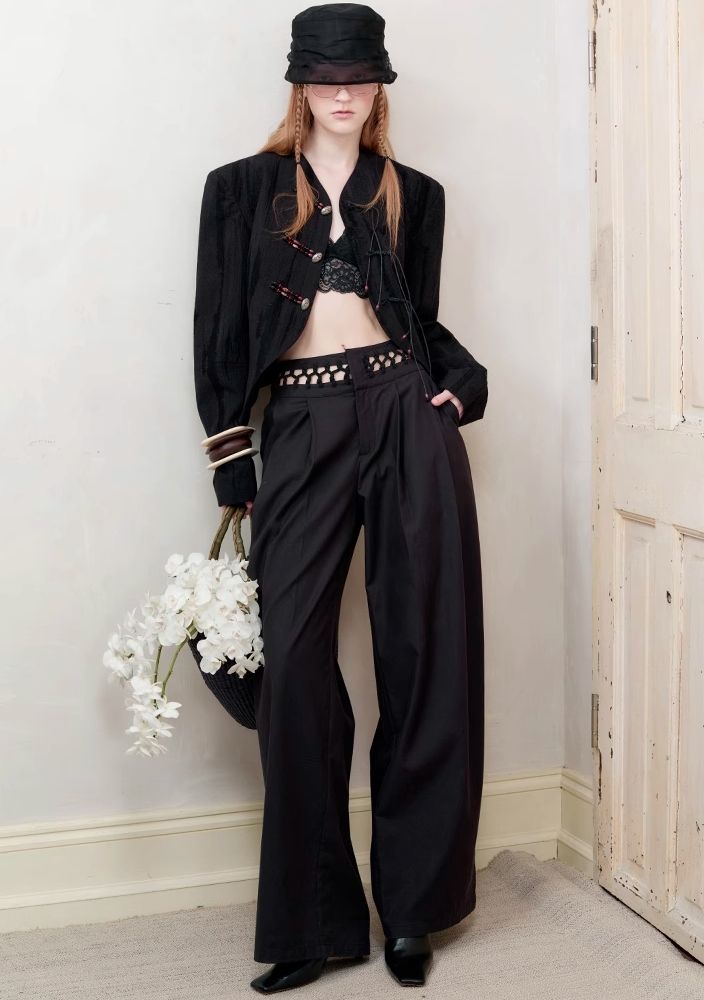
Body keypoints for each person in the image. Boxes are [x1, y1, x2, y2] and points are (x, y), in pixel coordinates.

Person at [192, 3, 488, 992]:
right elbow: (218, 329)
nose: (343, 92)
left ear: (379, 86)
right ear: (300, 84)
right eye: (325, 77)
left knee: (425, 654)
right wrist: (230, 450)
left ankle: (415, 910)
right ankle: (315, 922)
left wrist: (461, 386)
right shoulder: (240, 191)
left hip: (405, 412)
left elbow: (421, 320)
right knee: (294, 664)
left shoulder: (415, 193)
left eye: (359, 76)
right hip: (302, 422)